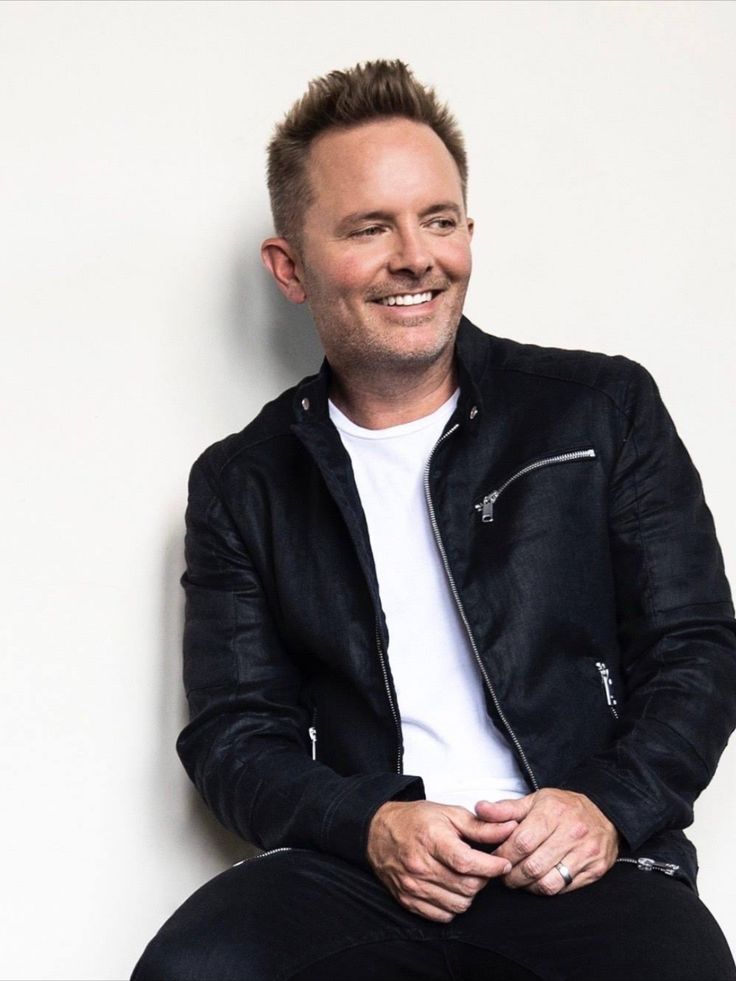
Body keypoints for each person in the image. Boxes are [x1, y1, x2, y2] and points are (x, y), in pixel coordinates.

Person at [133, 60, 736, 980]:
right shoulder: (243, 481)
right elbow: (233, 736)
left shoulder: (601, 409)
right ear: (289, 266)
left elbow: (697, 646)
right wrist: (370, 824)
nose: (417, 255)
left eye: (439, 220)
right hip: (362, 862)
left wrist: (605, 806)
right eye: (371, 227)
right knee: (193, 970)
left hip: (587, 860)